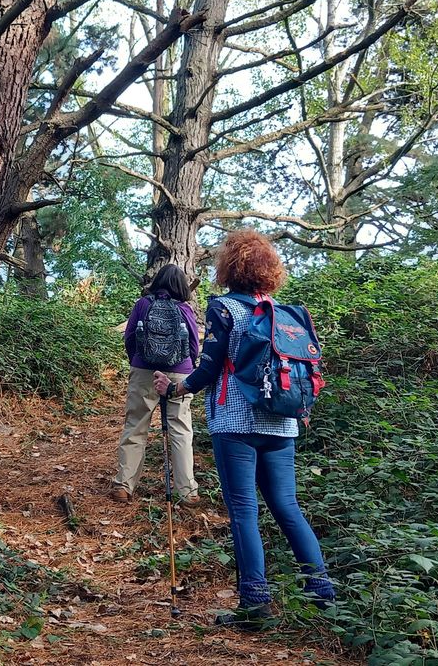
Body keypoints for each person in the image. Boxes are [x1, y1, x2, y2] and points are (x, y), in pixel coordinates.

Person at [152, 230, 334, 628]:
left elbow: (209, 366)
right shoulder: (283, 314)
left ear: (229, 267)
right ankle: (322, 595)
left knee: (244, 513)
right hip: (283, 422)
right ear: (269, 270)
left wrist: (176, 388)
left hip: (236, 423)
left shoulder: (225, 309)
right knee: (287, 507)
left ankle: (256, 606)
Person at [111, 263, 200, 508]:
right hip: (179, 373)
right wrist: (187, 367)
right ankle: (187, 491)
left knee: (135, 426)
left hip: (144, 371)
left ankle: (123, 485)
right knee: (181, 429)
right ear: (182, 285)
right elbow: (193, 344)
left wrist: (137, 362)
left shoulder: (143, 305)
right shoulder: (185, 309)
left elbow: (129, 337)